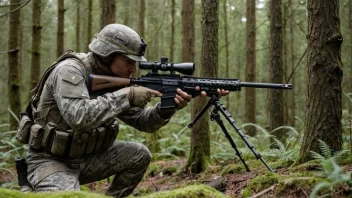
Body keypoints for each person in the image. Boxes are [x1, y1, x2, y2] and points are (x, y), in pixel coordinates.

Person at [19, 24, 227, 197]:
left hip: (87, 159)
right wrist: (126, 95)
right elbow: (79, 117)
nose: (133, 68)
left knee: (139, 155)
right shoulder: (70, 71)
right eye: (128, 61)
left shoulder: (115, 81)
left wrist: (167, 108)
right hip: (50, 160)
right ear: (108, 55)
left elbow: (143, 122)